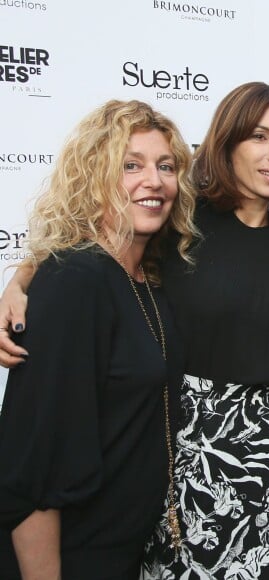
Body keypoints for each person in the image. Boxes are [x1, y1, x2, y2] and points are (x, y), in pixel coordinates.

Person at [0, 82, 269, 579]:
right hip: (200, 462)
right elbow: (92, 248)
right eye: (259, 136)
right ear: (228, 143)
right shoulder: (182, 225)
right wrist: (20, 282)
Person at [0, 99, 197, 579]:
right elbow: (33, 466)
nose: (153, 180)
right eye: (131, 165)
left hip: (125, 550)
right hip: (70, 558)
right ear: (95, 178)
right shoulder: (76, 280)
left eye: (166, 166)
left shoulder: (146, 277)